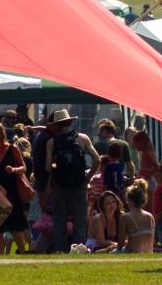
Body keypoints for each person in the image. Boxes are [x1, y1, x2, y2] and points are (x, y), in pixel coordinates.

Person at [44, 108, 101, 252]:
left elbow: (48, 167)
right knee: (80, 222)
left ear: (56, 125)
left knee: (59, 222)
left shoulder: (52, 141)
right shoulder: (82, 138)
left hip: (60, 186)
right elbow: (97, 159)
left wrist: (56, 168)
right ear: (70, 122)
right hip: (79, 185)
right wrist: (87, 178)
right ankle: (78, 250)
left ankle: (59, 250)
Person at [0, 120, 30, 254]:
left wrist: (14, 169)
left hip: (12, 191)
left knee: (16, 226)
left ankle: (22, 252)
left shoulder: (13, 149)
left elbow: (24, 168)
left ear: (1, 134)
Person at [119, 179, 155, 252]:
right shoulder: (150, 216)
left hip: (130, 252)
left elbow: (120, 244)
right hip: (148, 253)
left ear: (130, 200)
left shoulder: (125, 217)